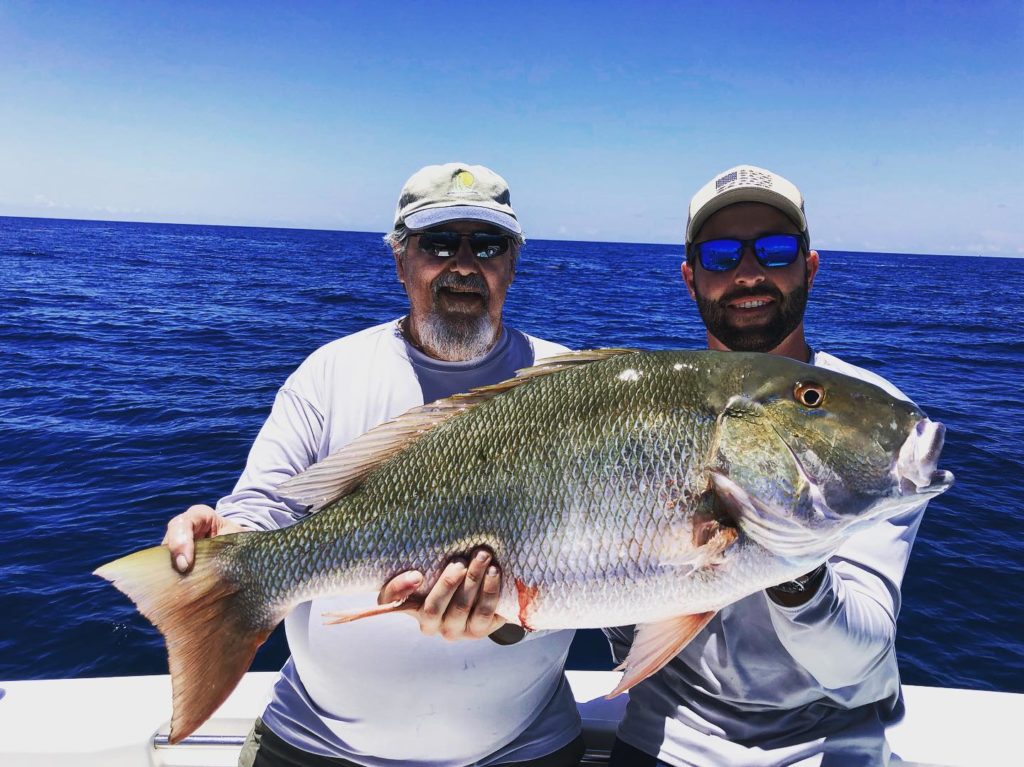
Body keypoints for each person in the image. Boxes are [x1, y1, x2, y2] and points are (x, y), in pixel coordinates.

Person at [163, 162, 584, 767]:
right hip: (315, 744)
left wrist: (510, 618)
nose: (463, 264)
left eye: (486, 245)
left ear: (511, 264)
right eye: (438, 244)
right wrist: (231, 540)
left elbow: (602, 555)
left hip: (522, 749)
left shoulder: (567, 384)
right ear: (400, 259)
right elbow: (265, 505)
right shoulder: (330, 372)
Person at [606, 165, 932, 766]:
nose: (749, 273)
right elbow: (612, 613)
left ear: (809, 265)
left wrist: (794, 565)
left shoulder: (867, 417)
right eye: (722, 255)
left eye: (775, 250)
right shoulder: (637, 405)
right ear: (690, 277)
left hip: (827, 751)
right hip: (660, 741)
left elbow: (856, 661)